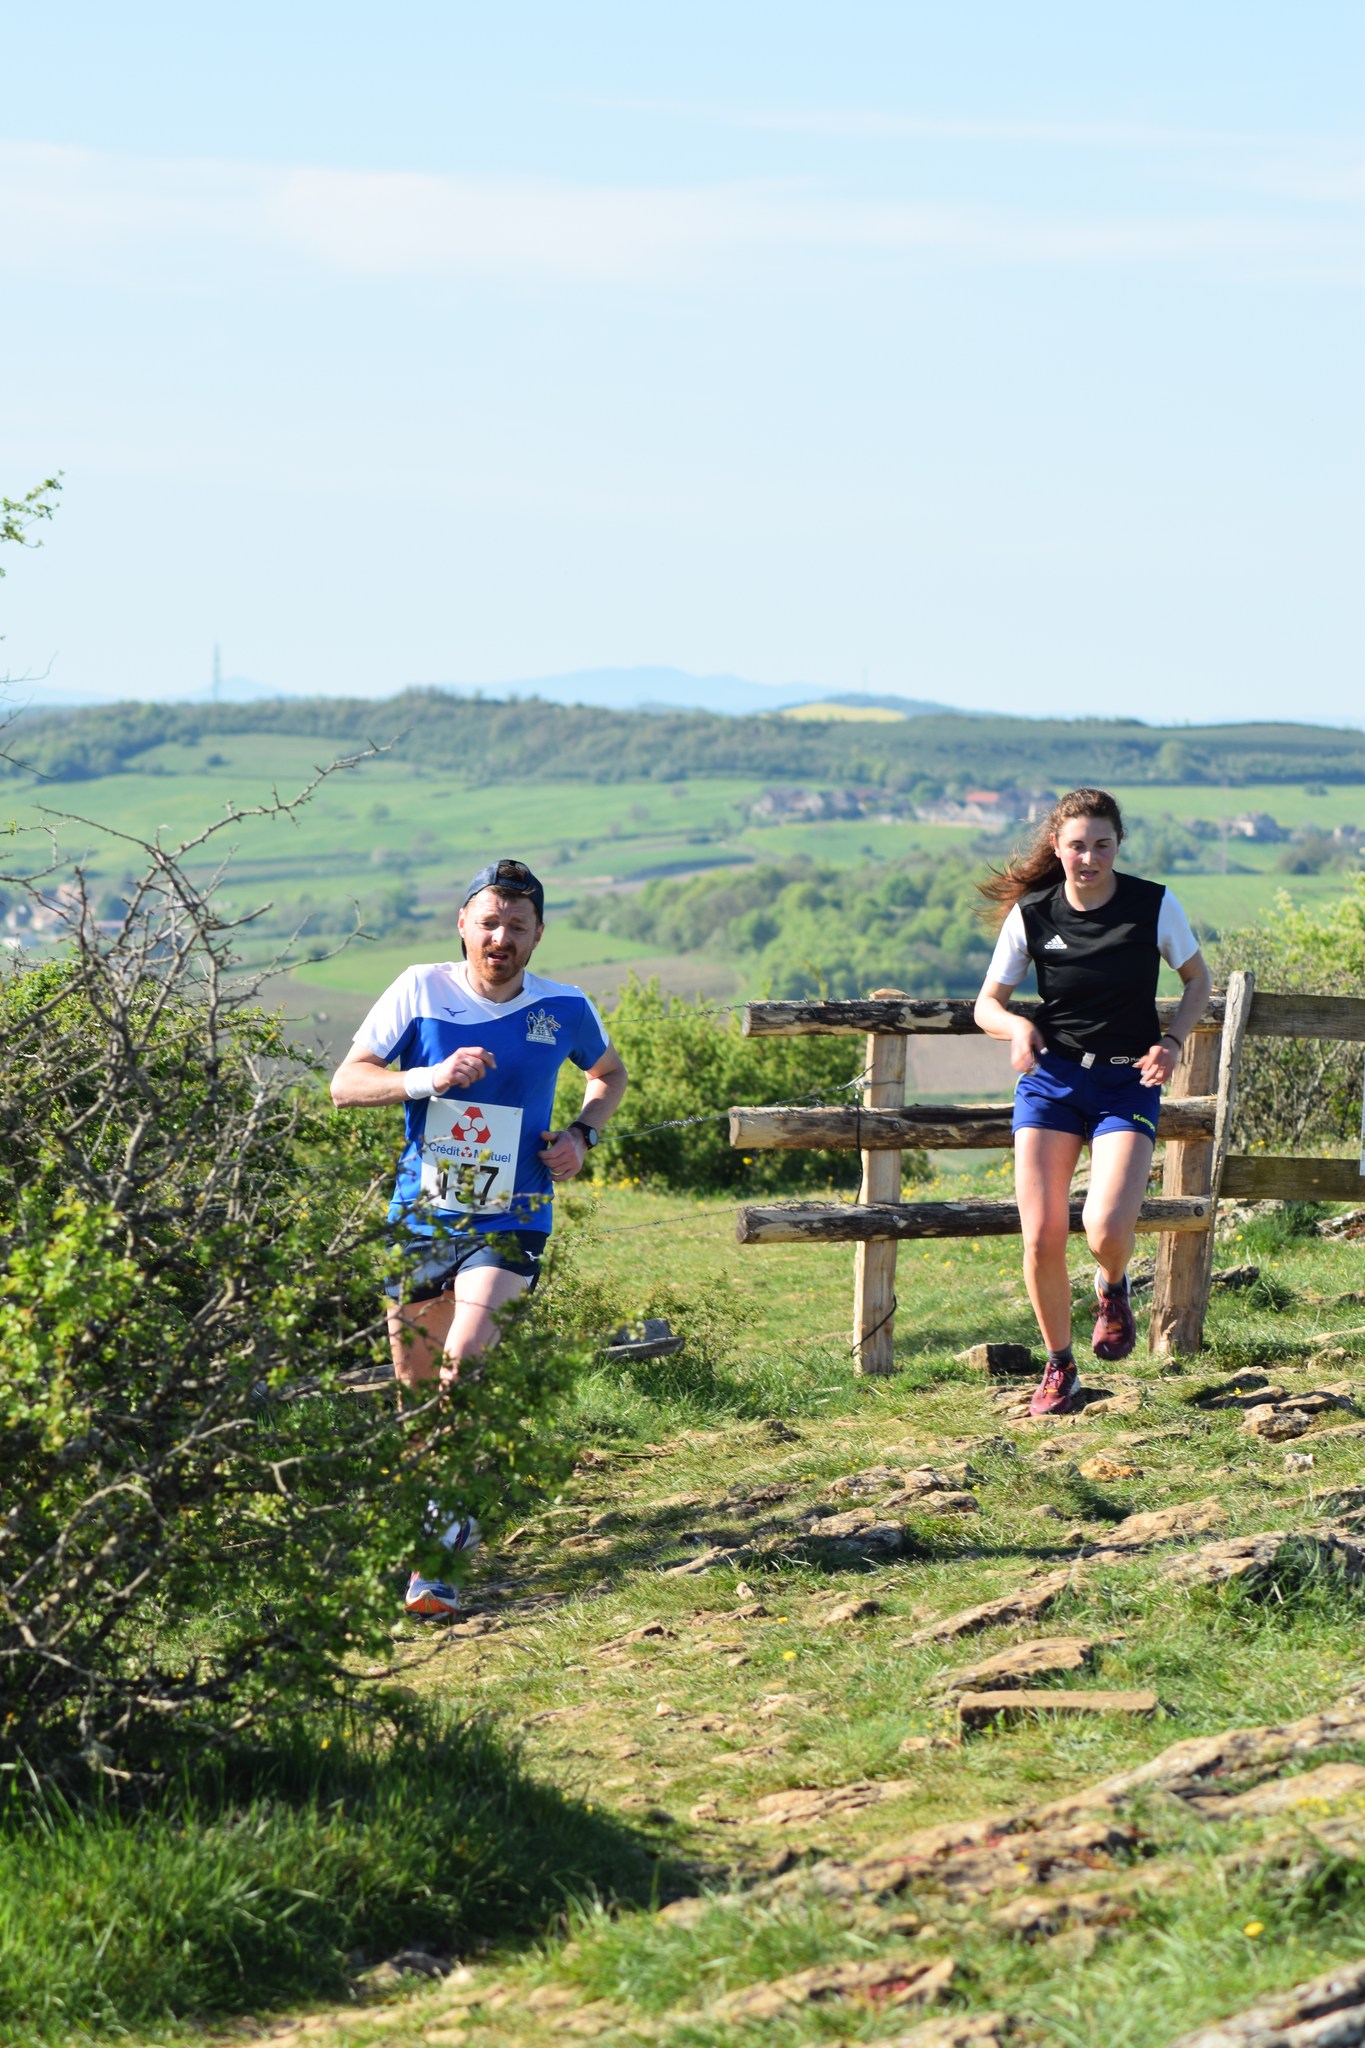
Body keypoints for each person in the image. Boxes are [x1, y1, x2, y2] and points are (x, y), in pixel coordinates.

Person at [331, 858, 627, 1615]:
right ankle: (439, 1524)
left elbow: (607, 1072)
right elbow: (346, 1083)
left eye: (516, 926)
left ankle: (437, 1564)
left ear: (538, 934)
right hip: (422, 1215)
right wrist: (428, 1078)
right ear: (463, 923)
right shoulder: (418, 989)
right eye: (489, 922)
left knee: (464, 1362)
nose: (501, 937)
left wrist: (582, 1135)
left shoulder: (563, 1006)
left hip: (514, 1212)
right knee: (419, 1399)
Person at [973, 789, 1212, 1416]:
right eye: (1077, 845)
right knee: (1042, 1235)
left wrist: (1172, 1041)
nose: (1089, 858)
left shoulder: (1153, 905)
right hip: (1051, 1082)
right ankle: (1061, 1367)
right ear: (1057, 846)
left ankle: (1112, 1284)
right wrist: (1016, 1028)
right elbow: (986, 1005)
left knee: (1105, 1228)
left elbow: (1198, 981)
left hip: (1126, 1083)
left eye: (1102, 845)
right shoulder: (1032, 914)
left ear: (1118, 845)